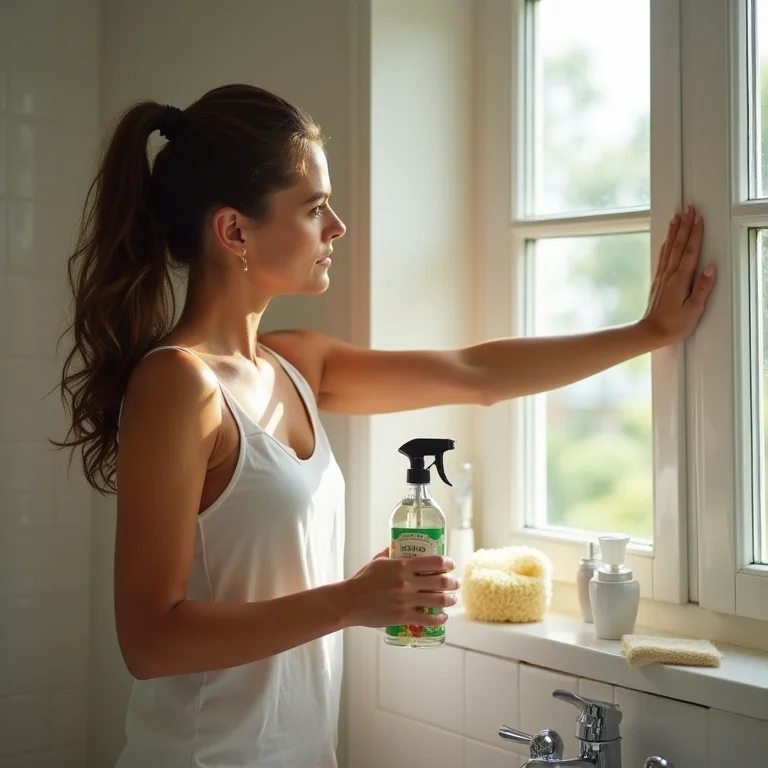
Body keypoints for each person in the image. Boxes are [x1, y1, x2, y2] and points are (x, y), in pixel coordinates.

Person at [55, 83, 715, 768]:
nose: (336, 226)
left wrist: (649, 333)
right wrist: (347, 601)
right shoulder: (178, 384)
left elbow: (476, 374)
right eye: (313, 209)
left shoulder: (294, 365)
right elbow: (149, 641)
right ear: (234, 232)